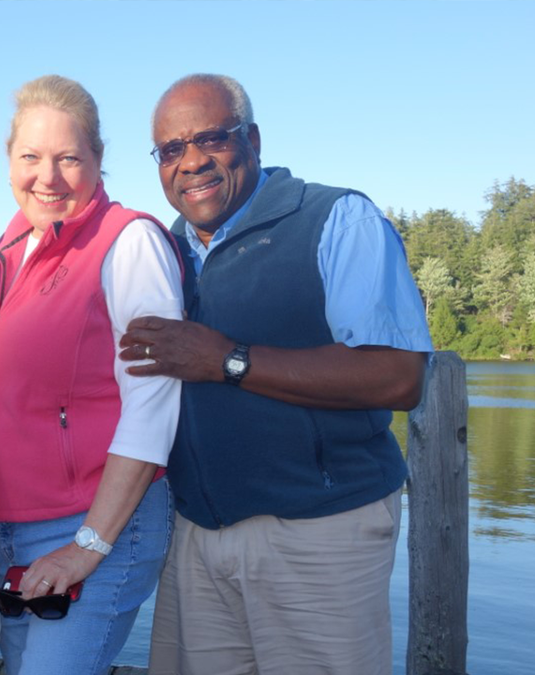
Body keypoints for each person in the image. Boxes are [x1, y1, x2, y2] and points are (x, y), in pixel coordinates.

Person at [121, 74, 433, 675]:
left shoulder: (337, 219)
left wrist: (227, 360)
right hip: (196, 535)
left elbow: (398, 377)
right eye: (170, 149)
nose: (191, 162)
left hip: (320, 536)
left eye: (211, 138)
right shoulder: (159, 252)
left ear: (253, 140)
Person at [0, 75, 183, 675]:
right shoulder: (11, 246)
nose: (48, 176)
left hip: (95, 528)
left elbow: (154, 405)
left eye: (69, 158)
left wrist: (87, 548)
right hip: (10, 533)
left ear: (98, 159)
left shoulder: (130, 242)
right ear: (9, 160)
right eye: (30, 157)